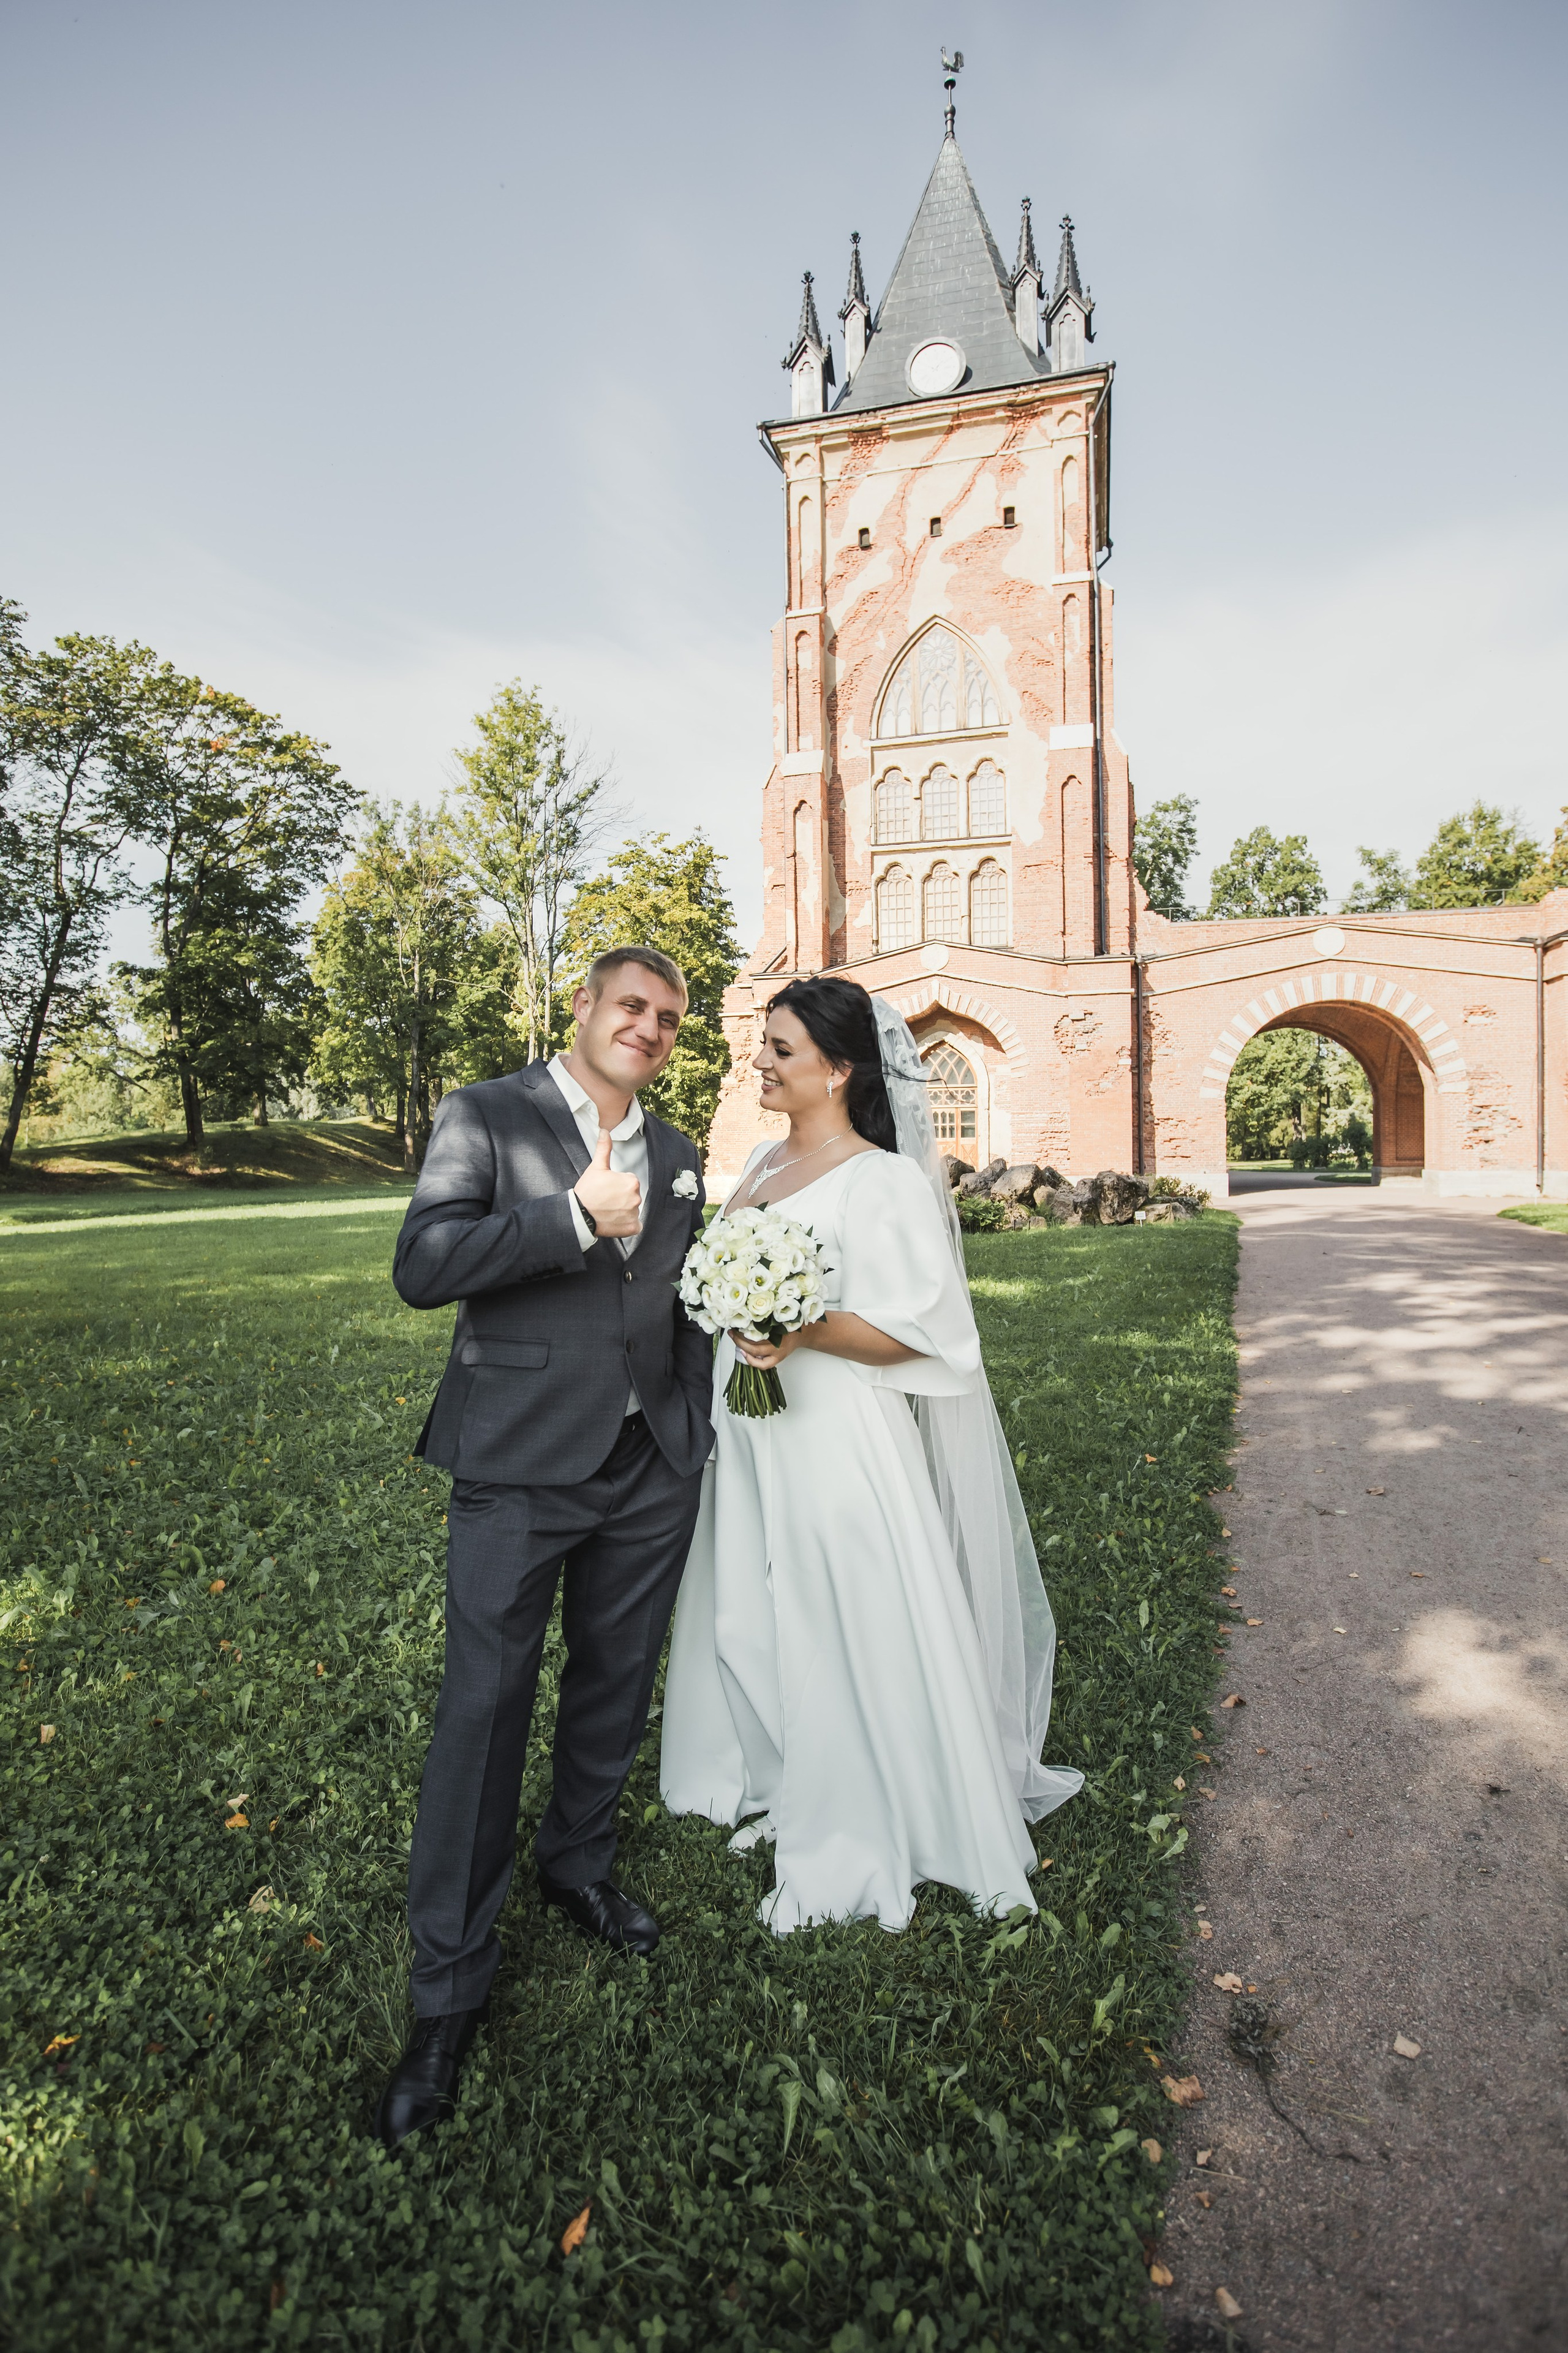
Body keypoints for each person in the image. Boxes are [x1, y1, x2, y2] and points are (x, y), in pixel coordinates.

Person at [373, 946, 713, 2149]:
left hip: (647, 1469)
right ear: (584, 1006)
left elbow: (686, 1297)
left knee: (614, 1687)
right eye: (633, 1006)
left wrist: (700, 1418)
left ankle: (575, 1863)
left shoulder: (679, 1159)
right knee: (483, 1713)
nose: (650, 1028)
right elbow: (423, 1266)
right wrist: (566, 1217)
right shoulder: (486, 1115)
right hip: (517, 1465)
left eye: (669, 1019)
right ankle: (447, 1997)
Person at [660, 976, 1082, 1933]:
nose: (759, 1061)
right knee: (752, 1595)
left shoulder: (884, 1179)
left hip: (835, 1434)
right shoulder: (763, 1162)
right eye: (763, 1043)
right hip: (753, 1427)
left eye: (781, 1049)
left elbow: (924, 1337)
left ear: (840, 1069)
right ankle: (769, 1765)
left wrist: (804, 1331)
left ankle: (865, 1806)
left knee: (834, 1609)